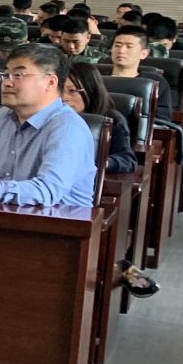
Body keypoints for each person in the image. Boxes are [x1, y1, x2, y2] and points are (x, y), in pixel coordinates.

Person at [0, 42, 96, 208]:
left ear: (50, 82)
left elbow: (47, 190)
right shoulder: (0, 118)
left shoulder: (67, 128)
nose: (7, 82)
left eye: (18, 75)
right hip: (0, 214)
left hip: (58, 219)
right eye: (6, 75)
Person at [63, 61, 155, 296]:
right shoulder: (50, 118)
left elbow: (127, 160)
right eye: (60, 90)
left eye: (72, 91)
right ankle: (117, 269)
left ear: (90, 90)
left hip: (94, 188)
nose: (64, 97)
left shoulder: (110, 119)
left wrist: (95, 164)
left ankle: (113, 268)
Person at [106, 22, 178, 120]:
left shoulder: (155, 83)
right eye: (117, 45)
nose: (121, 51)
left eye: (129, 46)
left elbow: (162, 120)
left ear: (143, 54)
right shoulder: (95, 76)